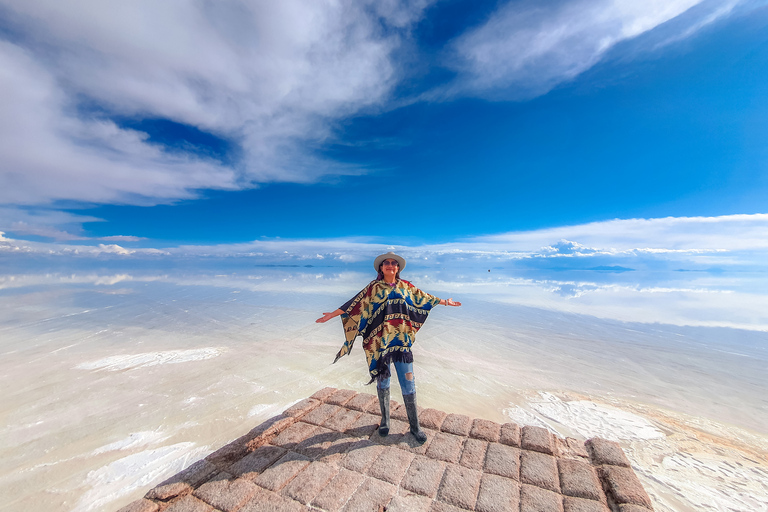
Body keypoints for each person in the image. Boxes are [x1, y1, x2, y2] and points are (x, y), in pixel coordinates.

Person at [316, 252, 461, 444]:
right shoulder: (373, 288)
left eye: (394, 263)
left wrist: (446, 302)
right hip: (381, 345)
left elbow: (425, 298)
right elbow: (354, 304)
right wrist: (332, 315)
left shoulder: (406, 287)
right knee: (383, 383)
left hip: (401, 344)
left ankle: (415, 426)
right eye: (387, 263)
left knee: (408, 383)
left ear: (398, 268)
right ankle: (385, 421)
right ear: (381, 268)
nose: (390, 265)